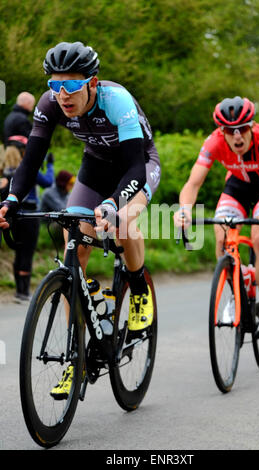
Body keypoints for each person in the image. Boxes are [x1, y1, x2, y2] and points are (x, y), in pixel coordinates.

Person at [0, 41, 160, 398]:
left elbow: (135, 163)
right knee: (75, 244)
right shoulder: (49, 104)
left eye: (71, 85)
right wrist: (12, 199)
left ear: (92, 82)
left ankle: (138, 291)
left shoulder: (116, 100)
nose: (62, 95)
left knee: (122, 221)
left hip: (137, 164)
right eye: (54, 85)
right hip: (95, 167)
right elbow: (31, 161)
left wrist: (113, 204)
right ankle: (77, 357)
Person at [174, 96, 259, 338]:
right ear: (221, 130)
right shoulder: (214, 142)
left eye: (243, 129)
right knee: (222, 236)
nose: (237, 136)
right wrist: (184, 209)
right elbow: (193, 184)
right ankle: (236, 293)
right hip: (237, 188)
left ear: (252, 126)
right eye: (230, 130)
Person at [0, 135, 54, 302]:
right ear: (23, 151)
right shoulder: (28, 169)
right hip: (30, 214)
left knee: (17, 249)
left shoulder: (4, 171)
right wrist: (50, 165)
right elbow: (48, 182)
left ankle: (19, 290)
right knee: (27, 251)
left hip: (13, 214)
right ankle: (24, 292)